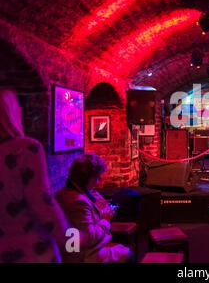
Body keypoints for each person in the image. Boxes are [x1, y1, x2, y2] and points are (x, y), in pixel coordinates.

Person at [0, 88, 68, 263]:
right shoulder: (24, 149)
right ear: (10, 112)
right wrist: (74, 242)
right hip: (30, 251)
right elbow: (43, 206)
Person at [56, 153, 131, 263]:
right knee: (128, 254)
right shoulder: (77, 201)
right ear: (87, 177)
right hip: (84, 255)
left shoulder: (76, 190)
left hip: (86, 248)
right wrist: (105, 219)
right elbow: (89, 237)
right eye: (97, 177)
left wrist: (102, 208)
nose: (99, 181)